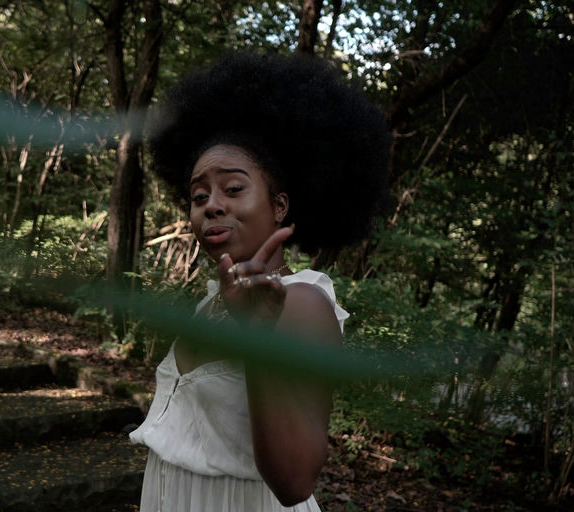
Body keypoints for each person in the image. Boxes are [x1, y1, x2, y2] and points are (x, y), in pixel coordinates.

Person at [129, 52, 390, 512]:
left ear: (280, 206)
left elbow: (294, 482)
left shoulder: (304, 303)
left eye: (233, 188)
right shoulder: (209, 306)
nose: (211, 204)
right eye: (198, 195)